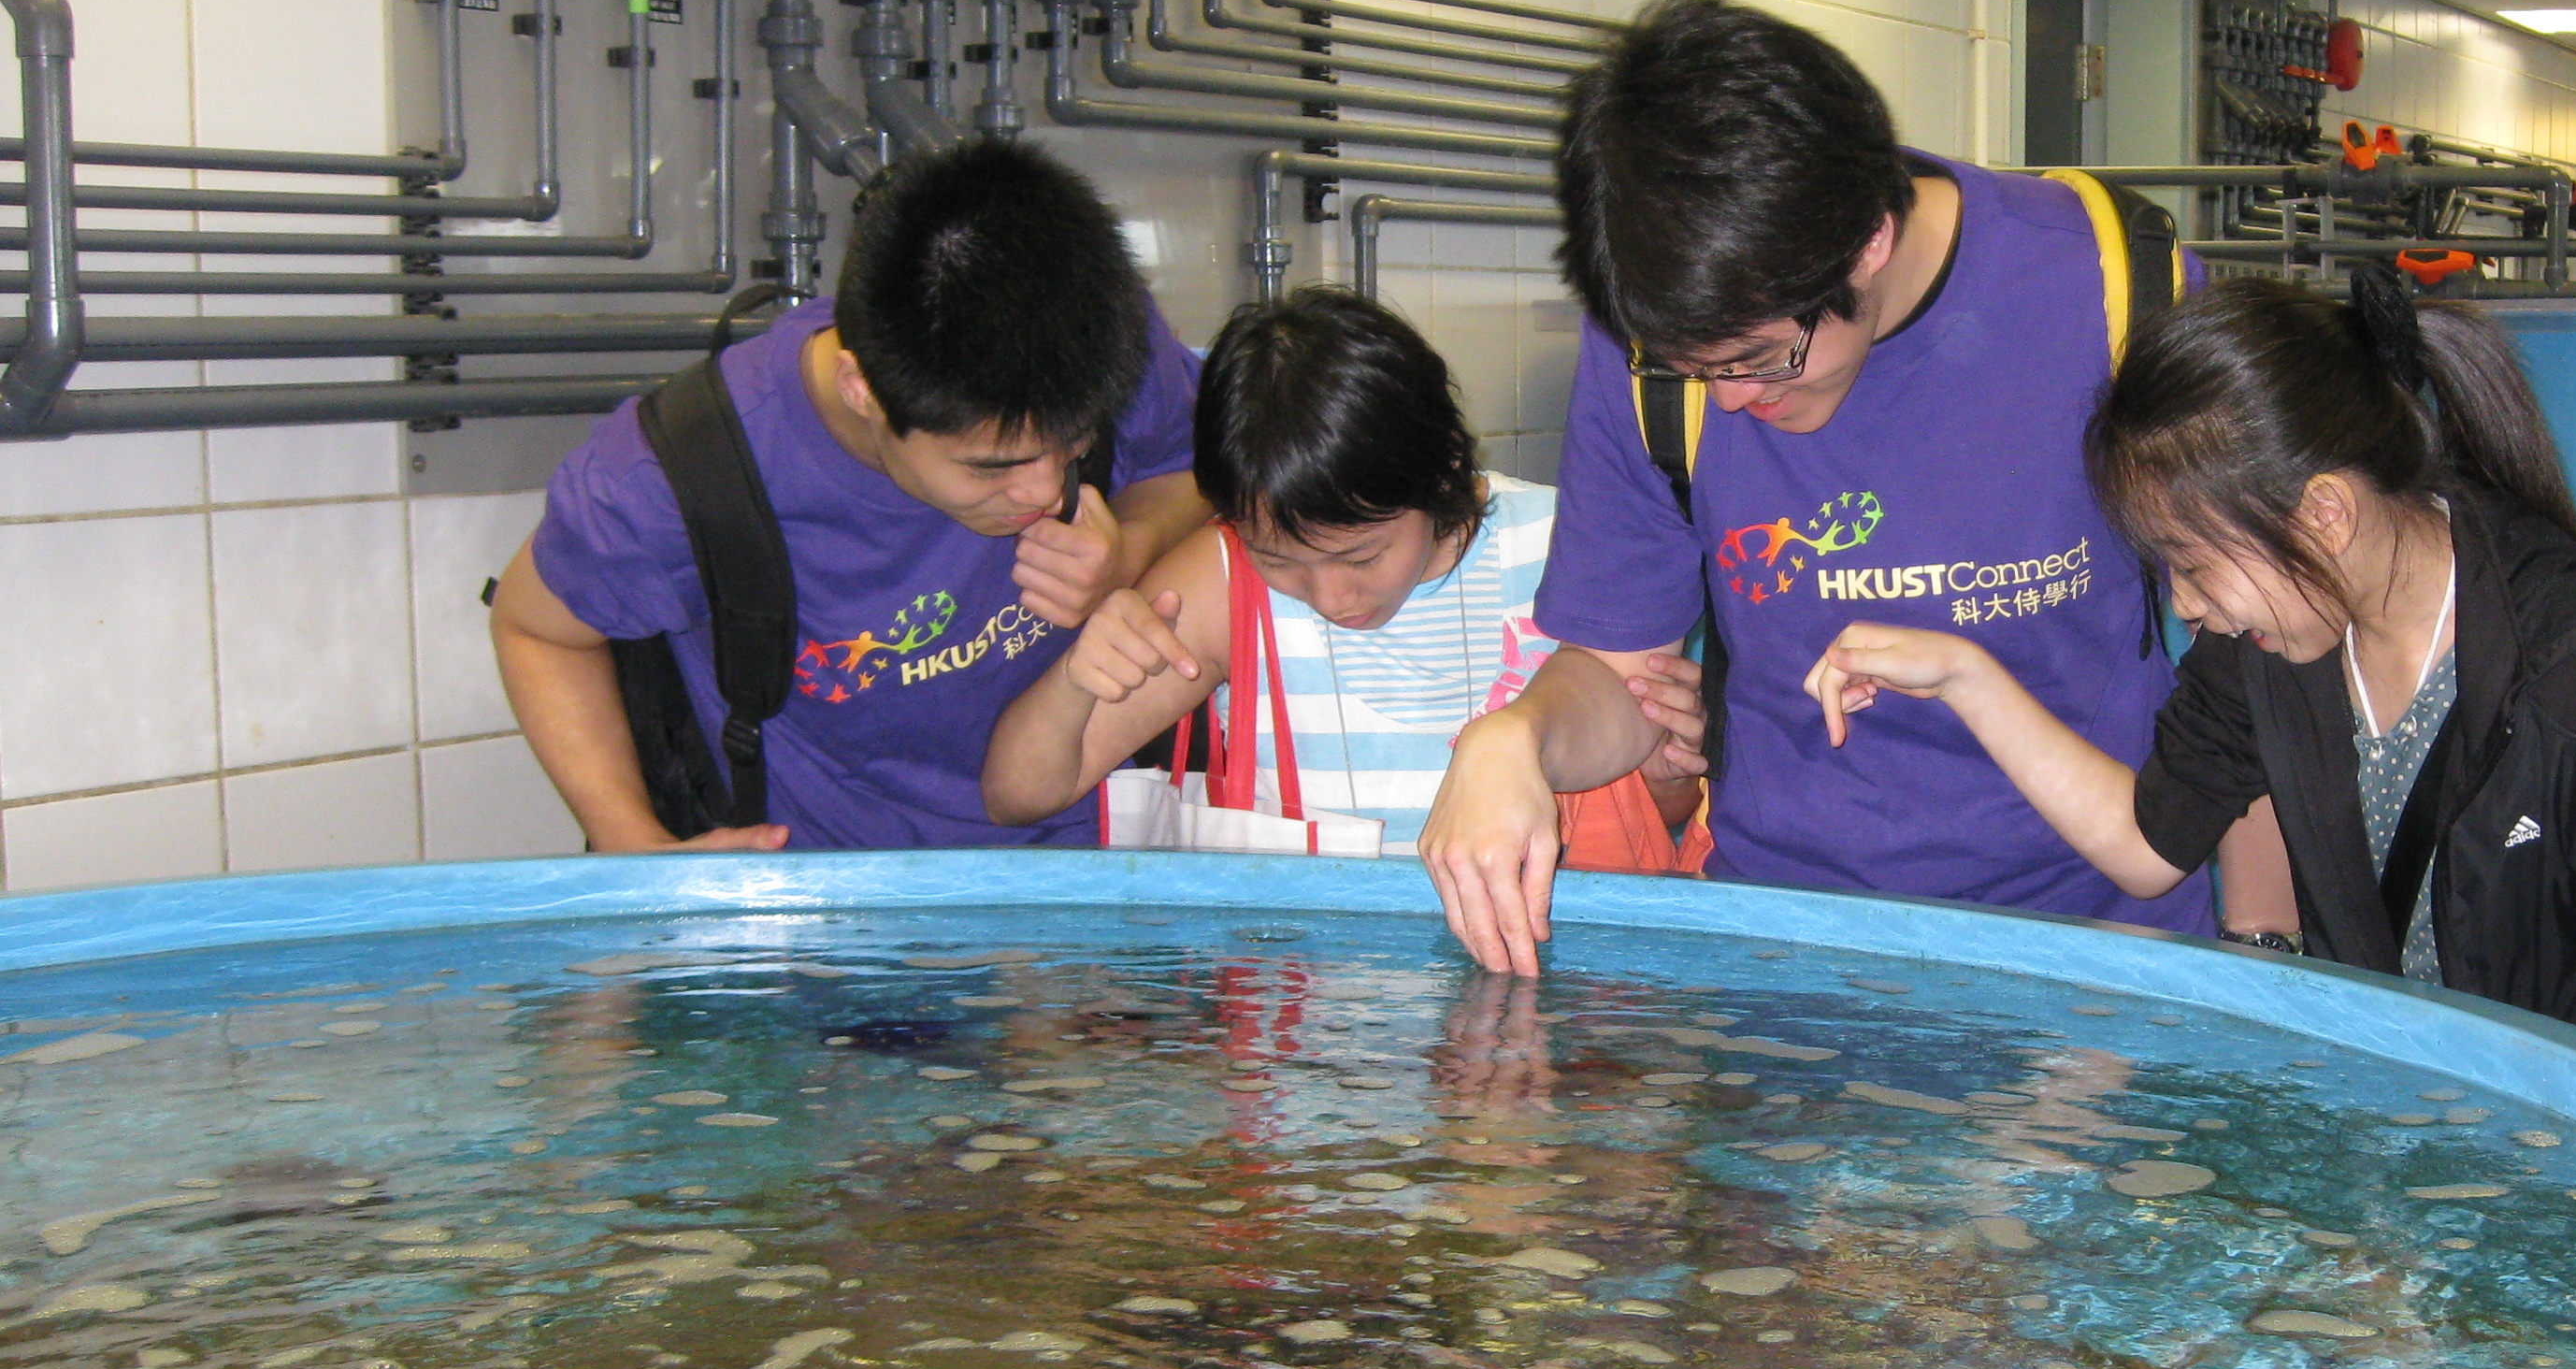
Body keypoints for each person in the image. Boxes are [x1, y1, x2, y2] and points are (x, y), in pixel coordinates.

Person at [1418, 0, 2216, 976]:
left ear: (1869, 241)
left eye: (1766, 358)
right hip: (1792, 945)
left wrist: (2242, 948)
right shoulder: (1658, 347)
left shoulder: (2109, 290)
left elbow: (2270, 658)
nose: (1735, 399)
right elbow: (1628, 678)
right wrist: (1514, 739)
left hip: (2100, 932)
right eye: (1696, 369)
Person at [1800, 270, 2576, 1029]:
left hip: (2568, 1157)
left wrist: (2532, 1118)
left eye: (2195, 565)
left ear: (2325, 514)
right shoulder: (2272, 638)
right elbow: (2146, 844)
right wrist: (1968, 677)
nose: (2188, 606)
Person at [493, 137, 1211, 852]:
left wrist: (1134, 547)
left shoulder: (1093, 337)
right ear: (861, 392)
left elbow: (1197, 468)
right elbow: (536, 630)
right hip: (839, 918)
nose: (1048, 489)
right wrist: (631, 845)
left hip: (1095, 867)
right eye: (993, 466)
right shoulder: (677, 476)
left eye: (1077, 442)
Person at [983, 285, 1705, 860]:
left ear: (1444, 468)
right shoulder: (1222, 579)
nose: (1331, 598)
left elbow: (1657, 822)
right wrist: (1079, 679)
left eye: (1361, 555)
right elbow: (1017, 794)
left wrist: (1667, 779)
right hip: (1306, 1021)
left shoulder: (1573, 551)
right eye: (1280, 560)